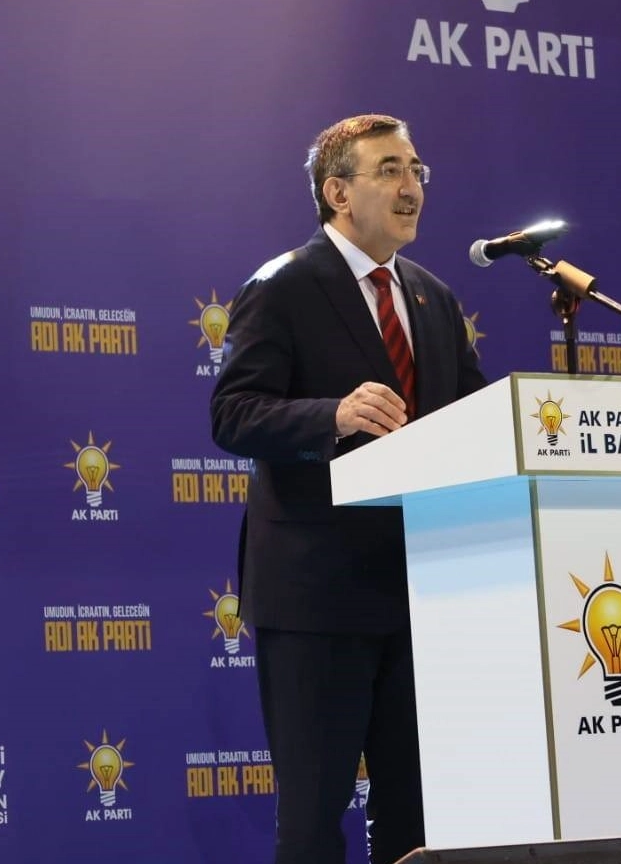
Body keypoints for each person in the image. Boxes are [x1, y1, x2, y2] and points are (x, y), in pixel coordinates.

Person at [209, 114, 487, 864]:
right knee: (313, 821)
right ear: (338, 192)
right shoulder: (283, 287)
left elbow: (472, 417)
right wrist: (331, 415)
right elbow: (232, 414)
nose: (411, 185)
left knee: (418, 819)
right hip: (317, 599)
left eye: (417, 170)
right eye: (390, 169)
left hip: (421, 595)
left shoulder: (431, 297)